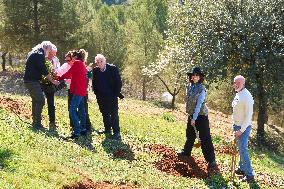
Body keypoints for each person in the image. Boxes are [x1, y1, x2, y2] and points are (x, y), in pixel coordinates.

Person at [179, 67, 217, 169]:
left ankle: (211, 160)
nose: (194, 77)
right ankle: (186, 152)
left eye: (197, 75)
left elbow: (199, 104)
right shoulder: (190, 87)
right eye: (193, 75)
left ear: (200, 77)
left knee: (205, 138)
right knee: (190, 135)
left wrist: (194, 118)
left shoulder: (202, 89)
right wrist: (191, 116)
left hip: (201, 116)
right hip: (192, 115)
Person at [23, 41, 59, 130]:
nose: (50, 52)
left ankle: (35, 122)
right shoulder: (39, 54)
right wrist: (53, 80)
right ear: (46, 48)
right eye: (50, 50)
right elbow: (43, 69)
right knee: (41, 100)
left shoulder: (37, 52)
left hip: (31, 80)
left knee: (36, 100)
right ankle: (37, 124)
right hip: (32, 81)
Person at [92, 54, 122, 140]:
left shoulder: (112, 68)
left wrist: (115, 94)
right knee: (104, 113)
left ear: (105, 61)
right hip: (101, 96)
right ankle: (107, 129)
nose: (99, 63)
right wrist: (97, 94)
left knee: (114, 114)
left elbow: (118, 82)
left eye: (101, 61)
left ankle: (116, 132)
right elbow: (94, 83)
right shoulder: (96, 70)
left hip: (112, 96)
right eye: (97, 62)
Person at [58, 50, 87, 139]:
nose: (70, 60)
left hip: (78, 90)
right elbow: (72, 75)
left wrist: (58, 78)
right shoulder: (82, 63)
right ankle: (83, 129)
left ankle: (77, 132)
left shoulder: (77, 63)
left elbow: (68, 74)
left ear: (75, 57)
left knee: (72, 110)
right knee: (81, 110)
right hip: (82, 90)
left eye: (71, 57)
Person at [232, 75, 255, 183]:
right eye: (235, 83)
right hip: (237, 125)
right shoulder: (238, 94)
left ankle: (250, 175)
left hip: (243, 128)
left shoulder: (247, 96)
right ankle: (241, 169)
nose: (236, 85)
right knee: (240, 148)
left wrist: (241, 130)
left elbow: (249, 115)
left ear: (243, 84)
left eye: (238, 83)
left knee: (243, 150)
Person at [40, 44, 61, 130]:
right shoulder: (43, 59)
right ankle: (38, 119)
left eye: (54, 53)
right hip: (41, 82)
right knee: (40, 100)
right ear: (48, 52)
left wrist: (56, 73)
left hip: (51, 83)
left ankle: (52, 121)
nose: (53, 55)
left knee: (51, 103)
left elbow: (58, 69)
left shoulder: (55, 59)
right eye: (51, 53)